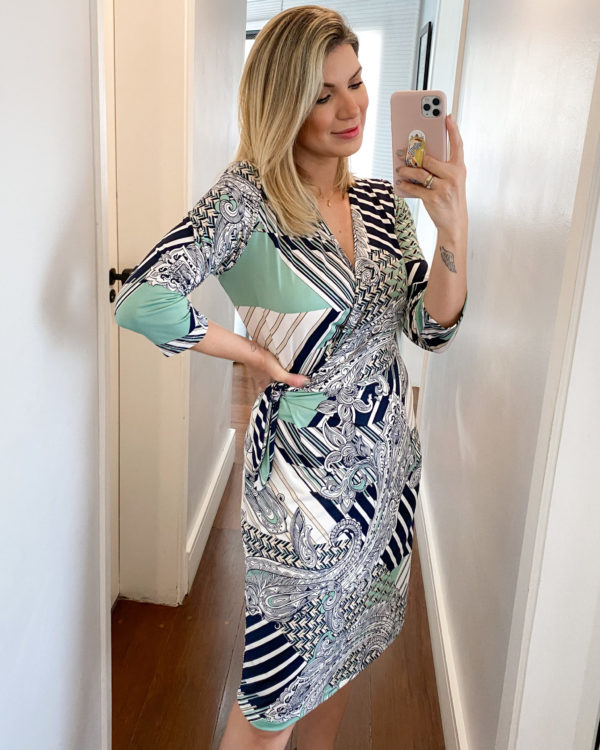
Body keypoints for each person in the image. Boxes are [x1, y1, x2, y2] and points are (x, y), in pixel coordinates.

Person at [114, 5, 467, 749]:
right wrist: (252, 355)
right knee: (270, 699)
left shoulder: (382, 202)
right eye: (322, 94)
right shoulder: (249, 199)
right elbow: (142, 300)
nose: (351, 108)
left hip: (386, 473)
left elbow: (428, 327)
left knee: (341, 659)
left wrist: (453, 229)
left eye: (356, 83)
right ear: (283, 102)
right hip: (301, 493)